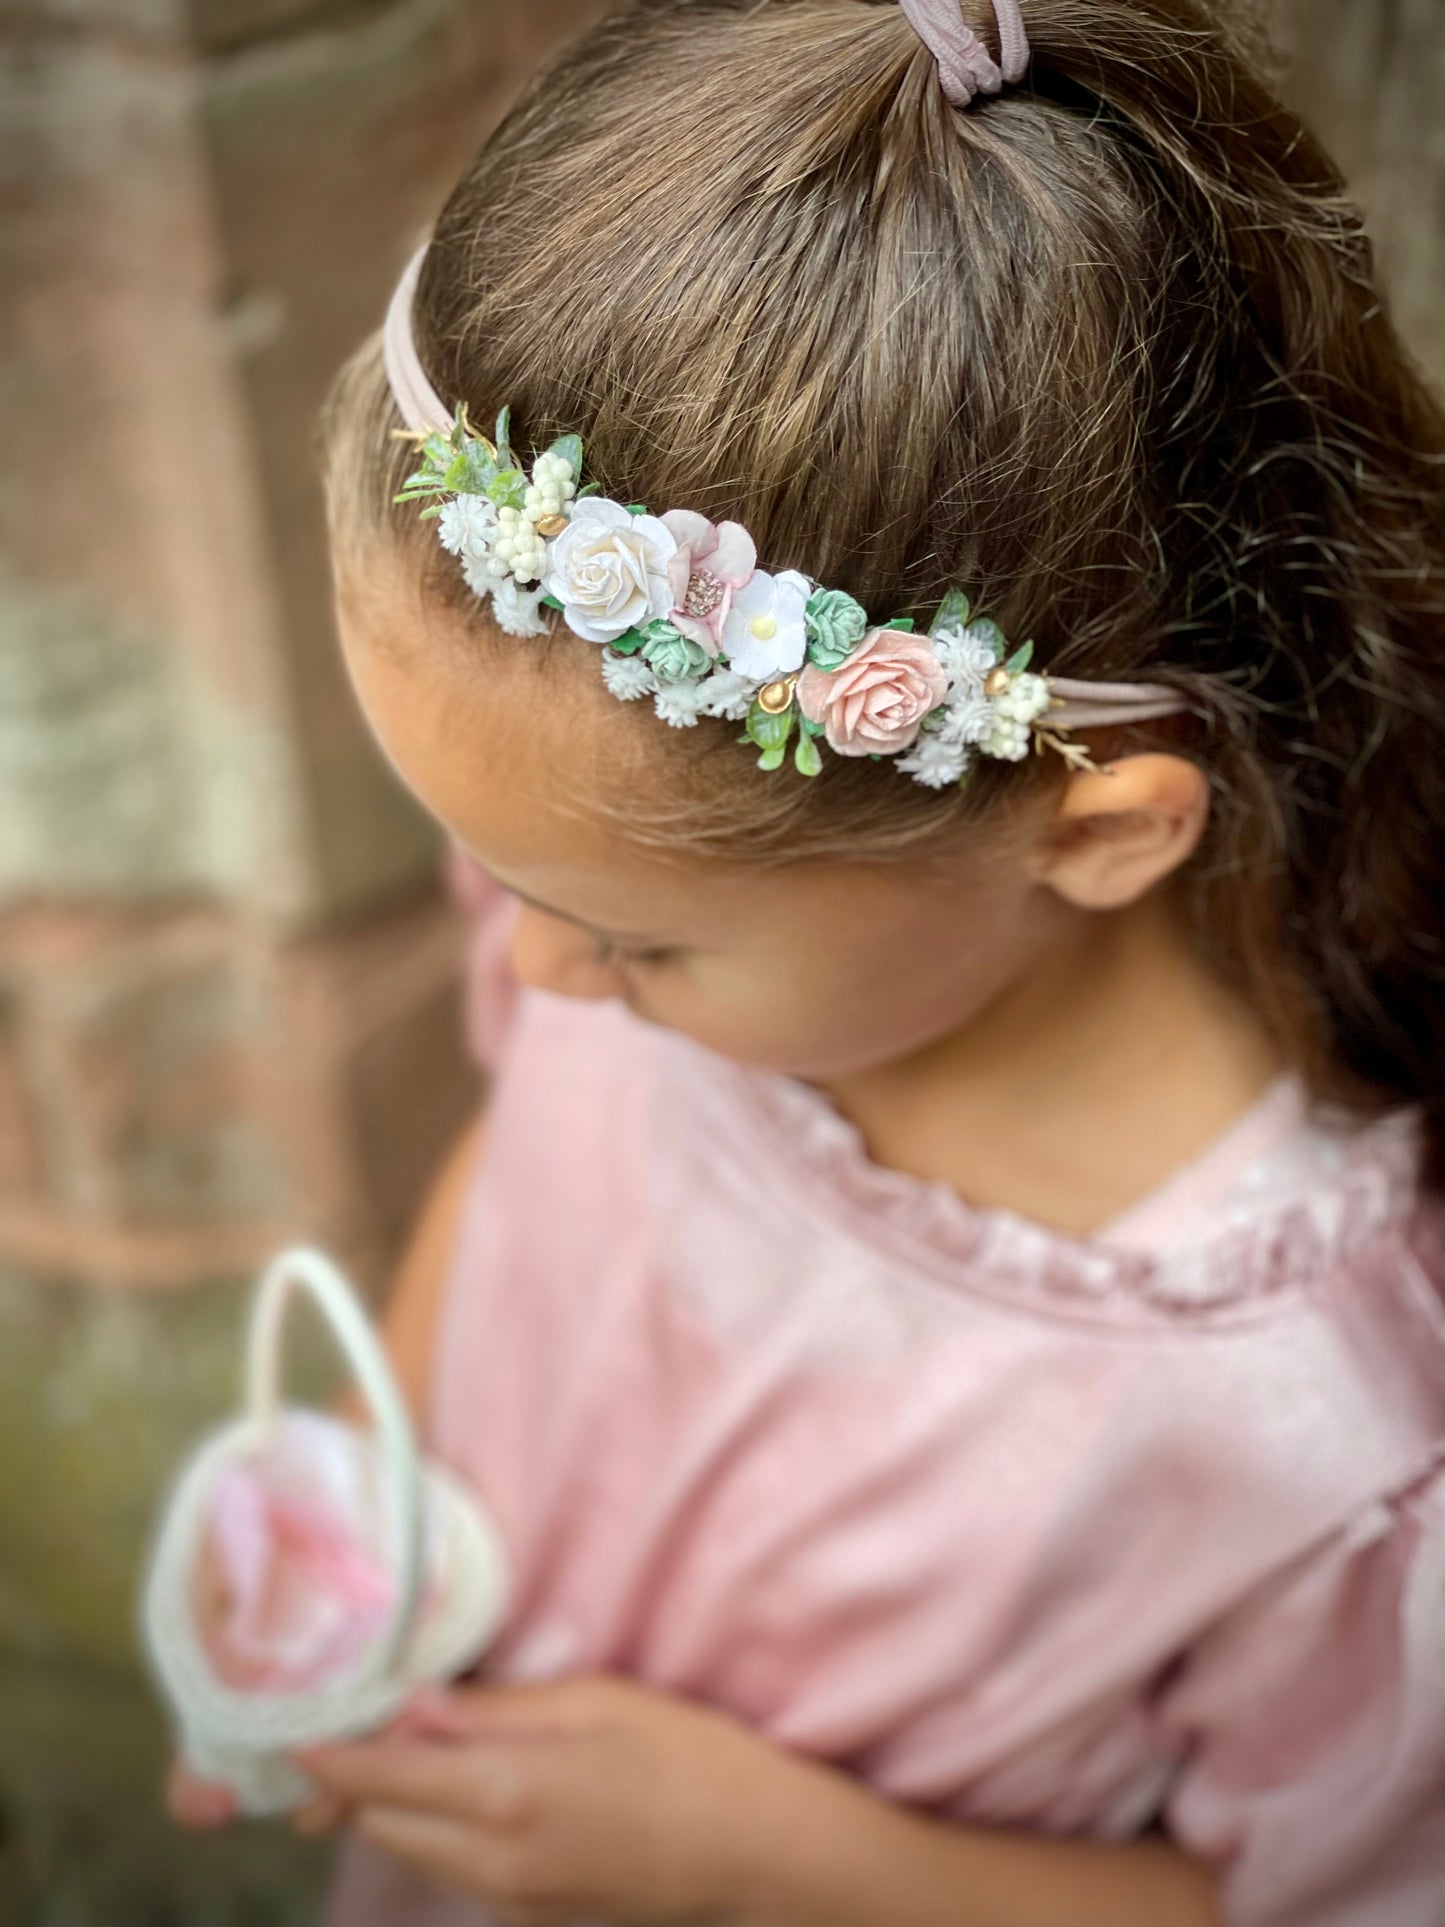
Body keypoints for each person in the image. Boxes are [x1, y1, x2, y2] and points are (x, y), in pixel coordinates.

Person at [172, 0, 1445, 1920]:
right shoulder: (649, 902)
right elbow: (527, 1184)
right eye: (492, 877)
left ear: (1093, 835)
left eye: (615, 934)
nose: (536, 971)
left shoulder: (1316, 1433)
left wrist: (778, 1865)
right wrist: (350, 1498)